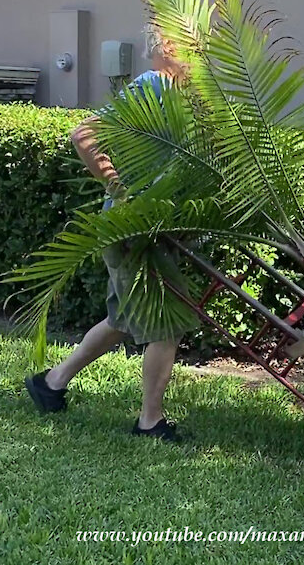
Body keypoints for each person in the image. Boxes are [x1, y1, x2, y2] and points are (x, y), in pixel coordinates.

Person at [24, 29, 191, 443]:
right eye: (194, 49)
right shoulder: (152, 86)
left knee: (121, 320)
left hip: (142, 228)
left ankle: (51, 383)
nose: (202, 59)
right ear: (170, 50)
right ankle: (150, 421)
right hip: (135, 230)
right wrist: (122, 193)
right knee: (164, 326)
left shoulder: (173, 95)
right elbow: (84, 136)